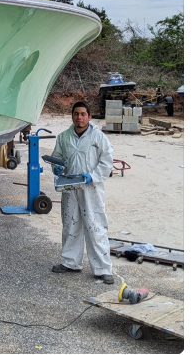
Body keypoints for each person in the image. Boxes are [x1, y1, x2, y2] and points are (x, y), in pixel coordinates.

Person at [50, 101, 115, 283]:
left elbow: (107, 160)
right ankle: (70, 262)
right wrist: (56, 167)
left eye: (83, 114)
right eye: (76, 114)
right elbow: (57, 158)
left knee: (95, 226)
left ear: (89, 116)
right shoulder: (63, 137)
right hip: (70, 187)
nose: (79, 117)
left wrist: (92, 176)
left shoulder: (98, 137)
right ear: (72, 116)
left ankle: (103, 269)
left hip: (91, 188)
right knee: (70, 224)